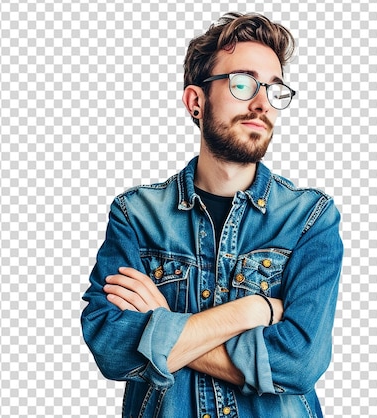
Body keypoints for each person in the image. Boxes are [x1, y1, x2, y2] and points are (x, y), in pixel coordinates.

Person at [81, 12, 343, 418]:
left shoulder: (310, 218)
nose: (261, 104)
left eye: (275, 90)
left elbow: (298, 363)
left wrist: (162, 325)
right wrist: (250, 311)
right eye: (243, 84)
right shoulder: (135, 215)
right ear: (195, 101)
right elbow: (111, 349)